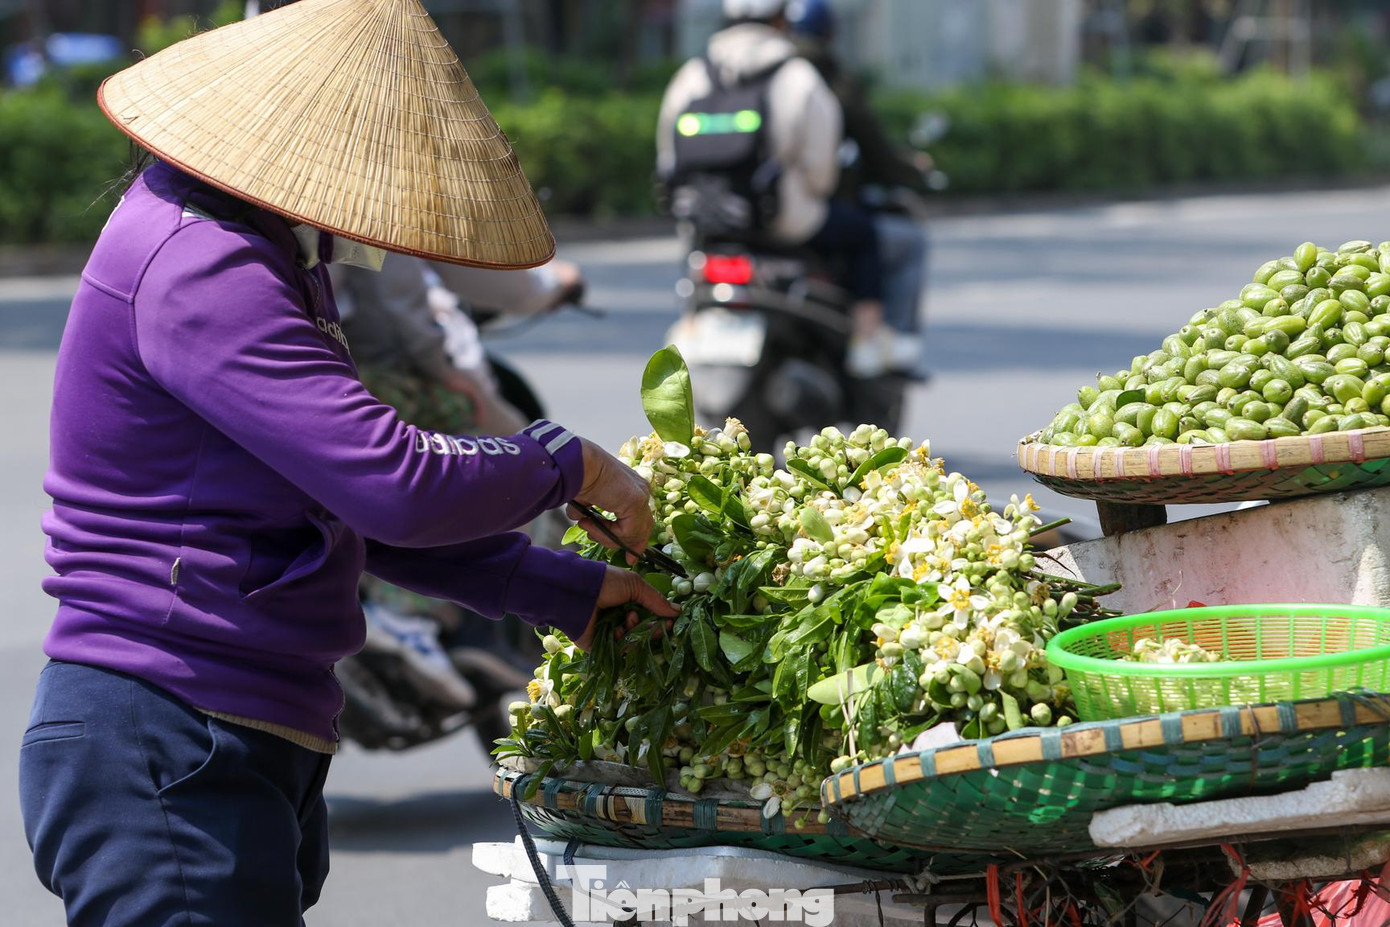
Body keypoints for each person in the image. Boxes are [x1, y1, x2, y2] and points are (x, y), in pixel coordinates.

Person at [18, 2, 676, 924]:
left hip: (236, 732)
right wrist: (567, 462)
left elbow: (333, 506)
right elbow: (391, 482)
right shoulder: (201, 260)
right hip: (169, 734)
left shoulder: (269, 251)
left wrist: (559, 589)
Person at [656, 0, 893, 376]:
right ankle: (866, 339)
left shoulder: (691, 75)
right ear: (781, 19)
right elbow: (822, 175)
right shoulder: (798, 76)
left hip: (709, 224)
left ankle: (688, 321)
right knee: (865, 236)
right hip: (787, 224)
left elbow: (668, 159)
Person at [786, 0, 931, 376]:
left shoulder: (758, 78)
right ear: (830, 34)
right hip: (800, 214)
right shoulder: (824, 84)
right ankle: (872, 340)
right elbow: (868, 153)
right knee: (875, 236)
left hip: (735, 218)